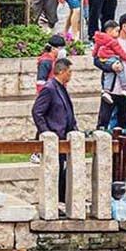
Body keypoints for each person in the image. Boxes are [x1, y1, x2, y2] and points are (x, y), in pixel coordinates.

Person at [31, 56, 78, 205]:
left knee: (63, 172)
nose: (71, 75)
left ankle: (62, 201)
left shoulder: (61, 88)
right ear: (62, 71)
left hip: (65, 137)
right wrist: (46, 132)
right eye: (69, 72)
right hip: (54, 138)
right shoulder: (49, 88)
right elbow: (37, 112)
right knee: (54, 173)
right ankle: (55, 202)